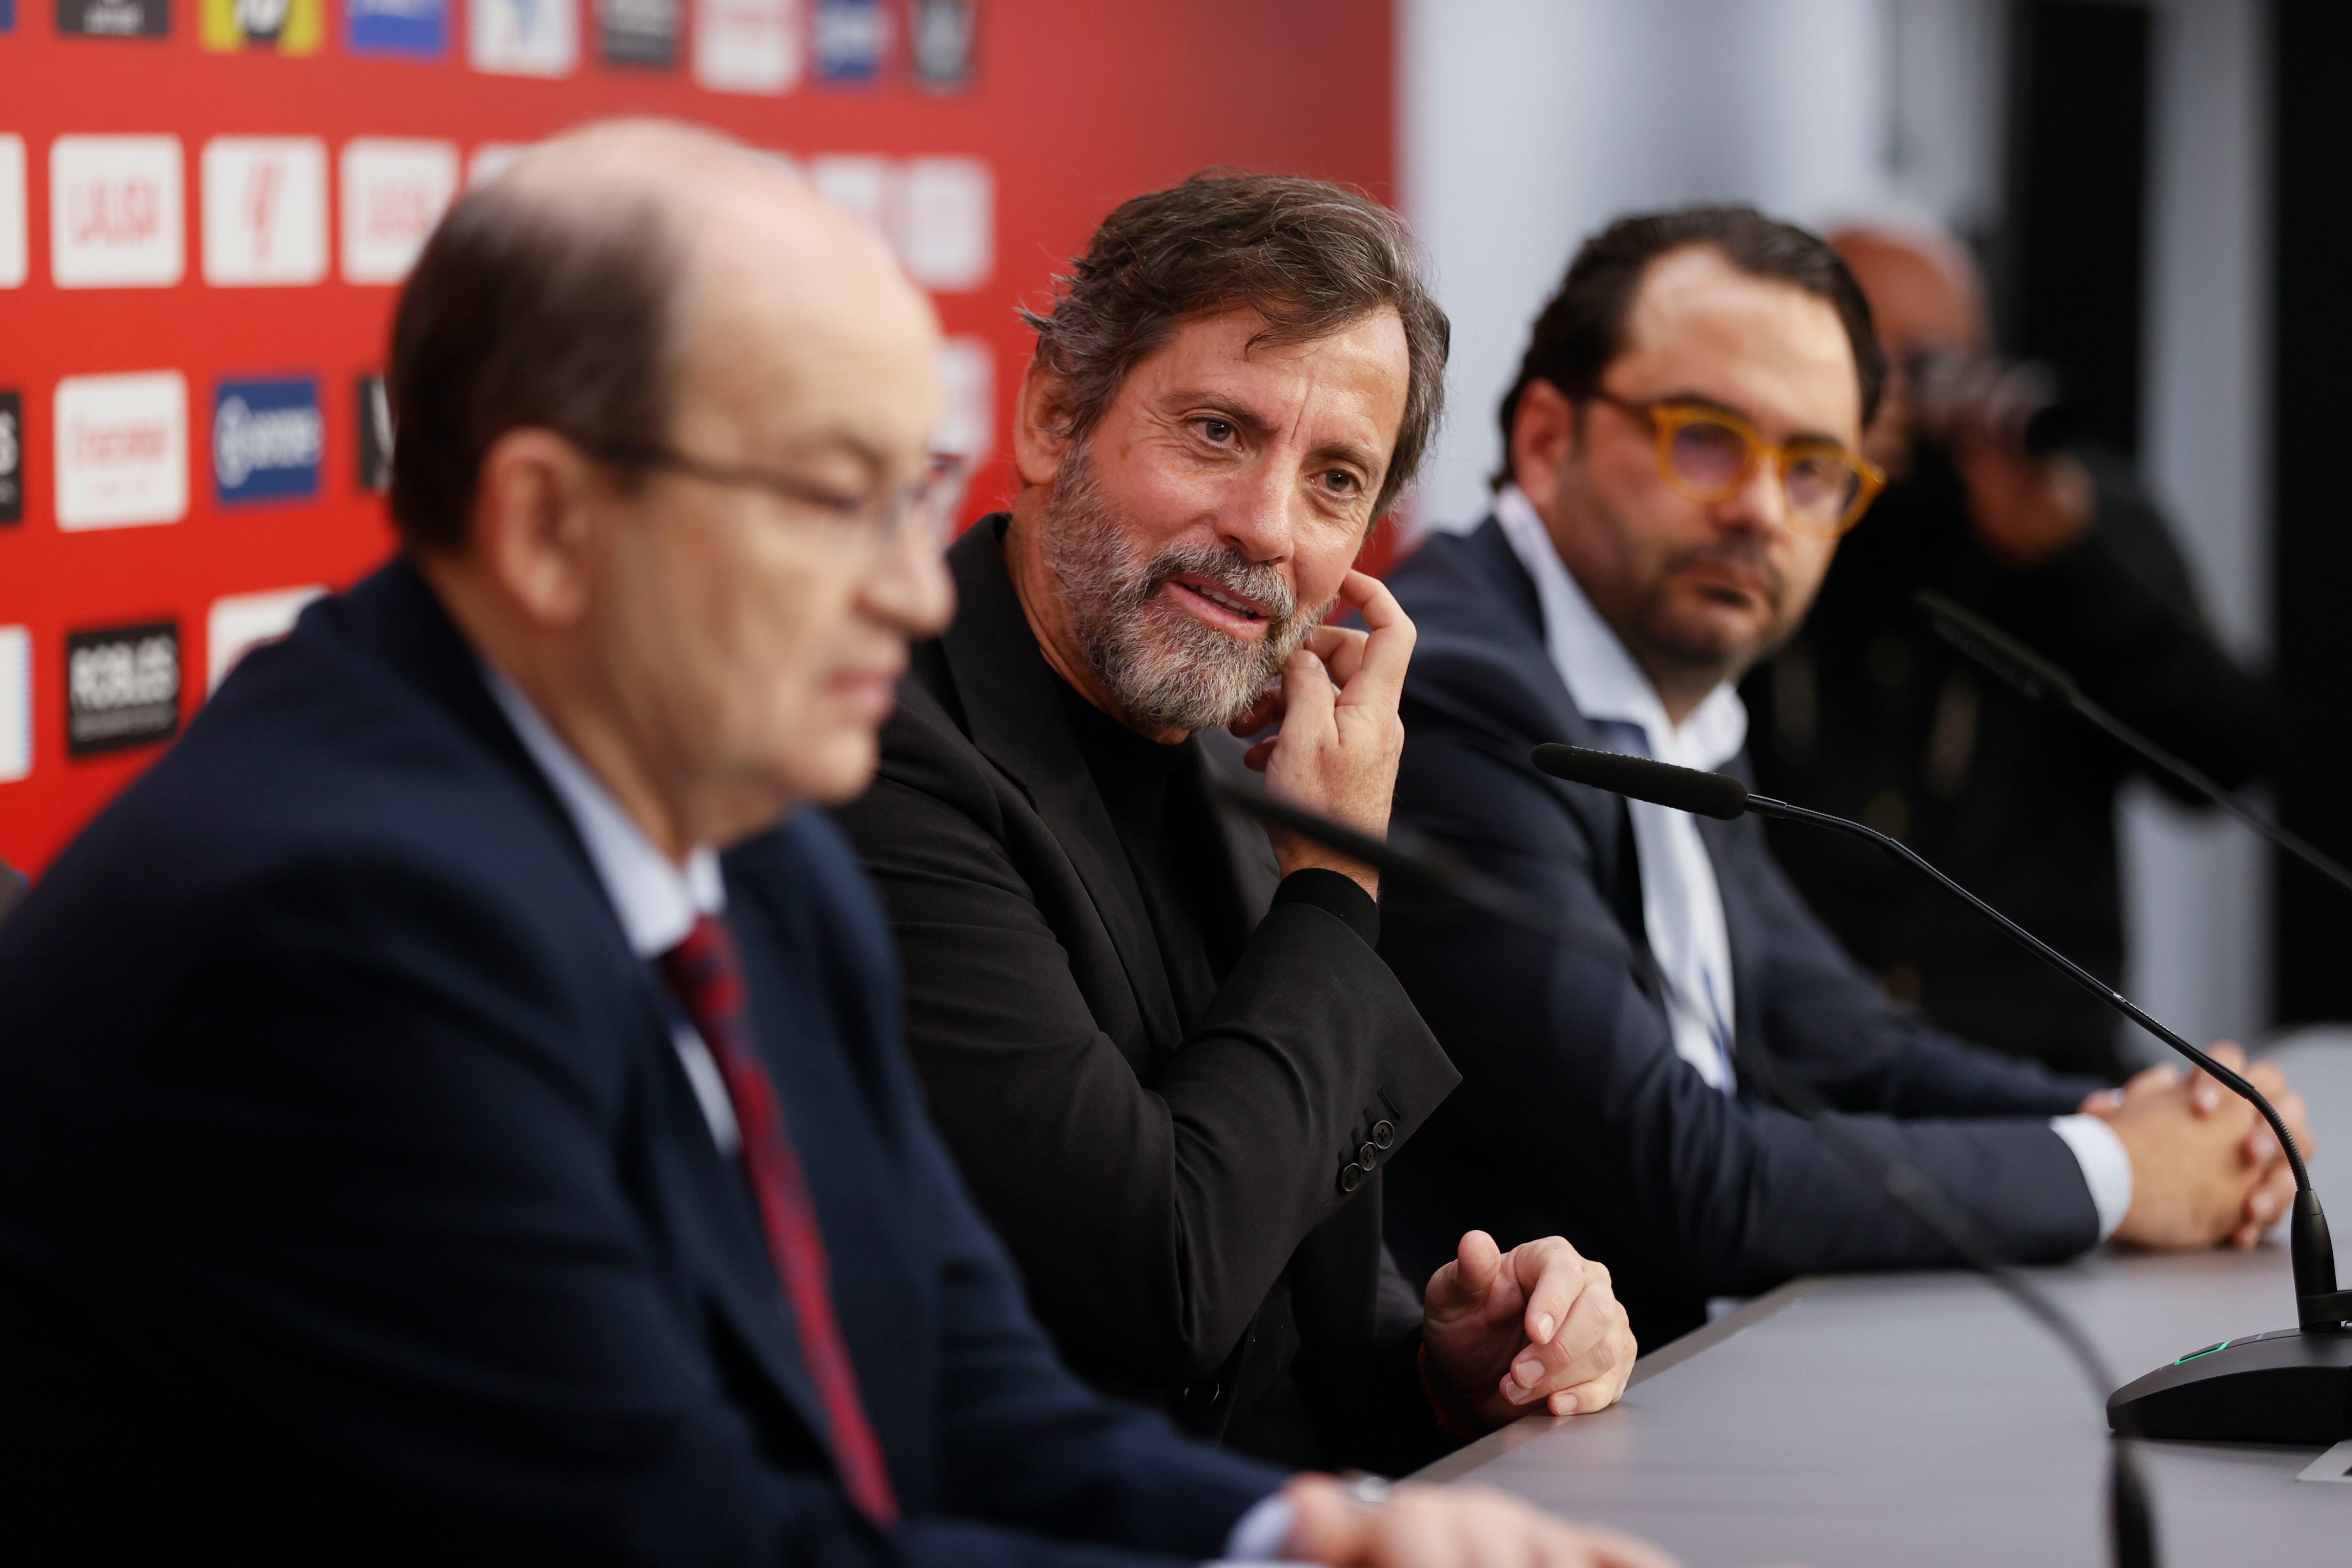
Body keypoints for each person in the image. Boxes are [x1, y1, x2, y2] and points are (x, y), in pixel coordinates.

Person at [0, 123, 1672, 1568]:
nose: (906, 583)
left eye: (904, 494)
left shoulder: (743, 836)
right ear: (547, 523)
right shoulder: (337, 928)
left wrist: (1302, 1529)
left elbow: (953, 1374)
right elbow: (689, 1538)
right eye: (828, 503)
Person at [1375, 206, 2312, 1345]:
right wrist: (2117, 1170)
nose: (1762, 511)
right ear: (1544, 438)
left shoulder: (1668, 685)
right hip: (1479, 1450)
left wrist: (2178, 1124)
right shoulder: (1460, 688)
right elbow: (1680, 1173)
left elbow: (1838, 1040)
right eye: (1707, 437)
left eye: (1816, 467)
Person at [834, 173, 1636, 1476]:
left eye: (1333, 481)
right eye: (1216, 431)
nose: (1266, 526)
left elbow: (1280, 1301)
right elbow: (1158, 1283)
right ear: (1053, 414)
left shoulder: (1229, 752)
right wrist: (1334, 887)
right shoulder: (873, 746)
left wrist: (1443, 1365)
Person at [1740, 223, 2282, 1082]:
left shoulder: (2063, 503)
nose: (1910, 388)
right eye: (1875, 355)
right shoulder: (1756, 510)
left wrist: (2079, 560)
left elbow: (2227, 755)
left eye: (1936, 359)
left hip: (2035, 1061)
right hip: (1799, 1067)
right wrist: (1810, 474)